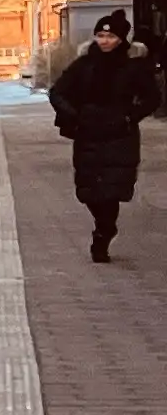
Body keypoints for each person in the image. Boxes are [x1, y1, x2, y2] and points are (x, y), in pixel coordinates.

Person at [51, 13, 163, 258]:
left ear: (121, 39)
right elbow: (58, 92)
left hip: (119, 136)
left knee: (112, 189)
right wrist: (75, 115)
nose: (104, 41)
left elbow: (152, 97)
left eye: (110, 36)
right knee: (89, 190)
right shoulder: (83, 65)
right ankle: (104, 225)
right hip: (88, 133)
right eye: (100, 35)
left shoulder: (134, 66)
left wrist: (130, 116)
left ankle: (104, 232)